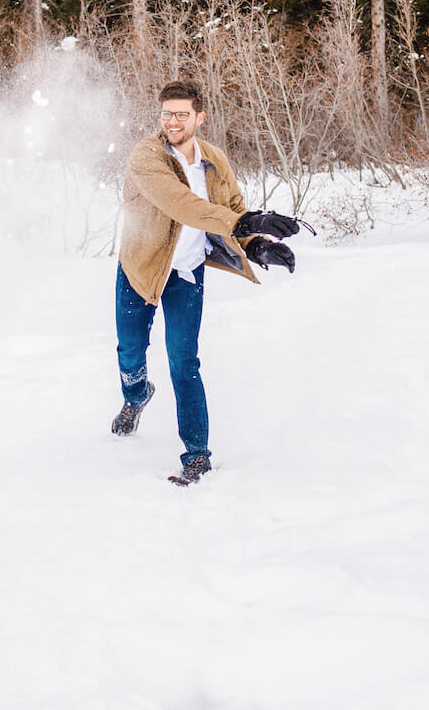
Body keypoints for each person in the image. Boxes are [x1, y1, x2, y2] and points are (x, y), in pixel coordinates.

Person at [111, 80, 308, 484]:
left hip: (186, 274)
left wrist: (255, 245)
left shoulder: (213, 160)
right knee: (131, 351)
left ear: (200, 117)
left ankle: (196, 455)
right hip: (141, 268)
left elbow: (231, 207)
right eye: (167, 113)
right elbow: (181, 205)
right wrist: (244, 221)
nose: (173, 121)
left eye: (182, 114)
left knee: (184, 363)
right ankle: (136, 394)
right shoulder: (146, 156)